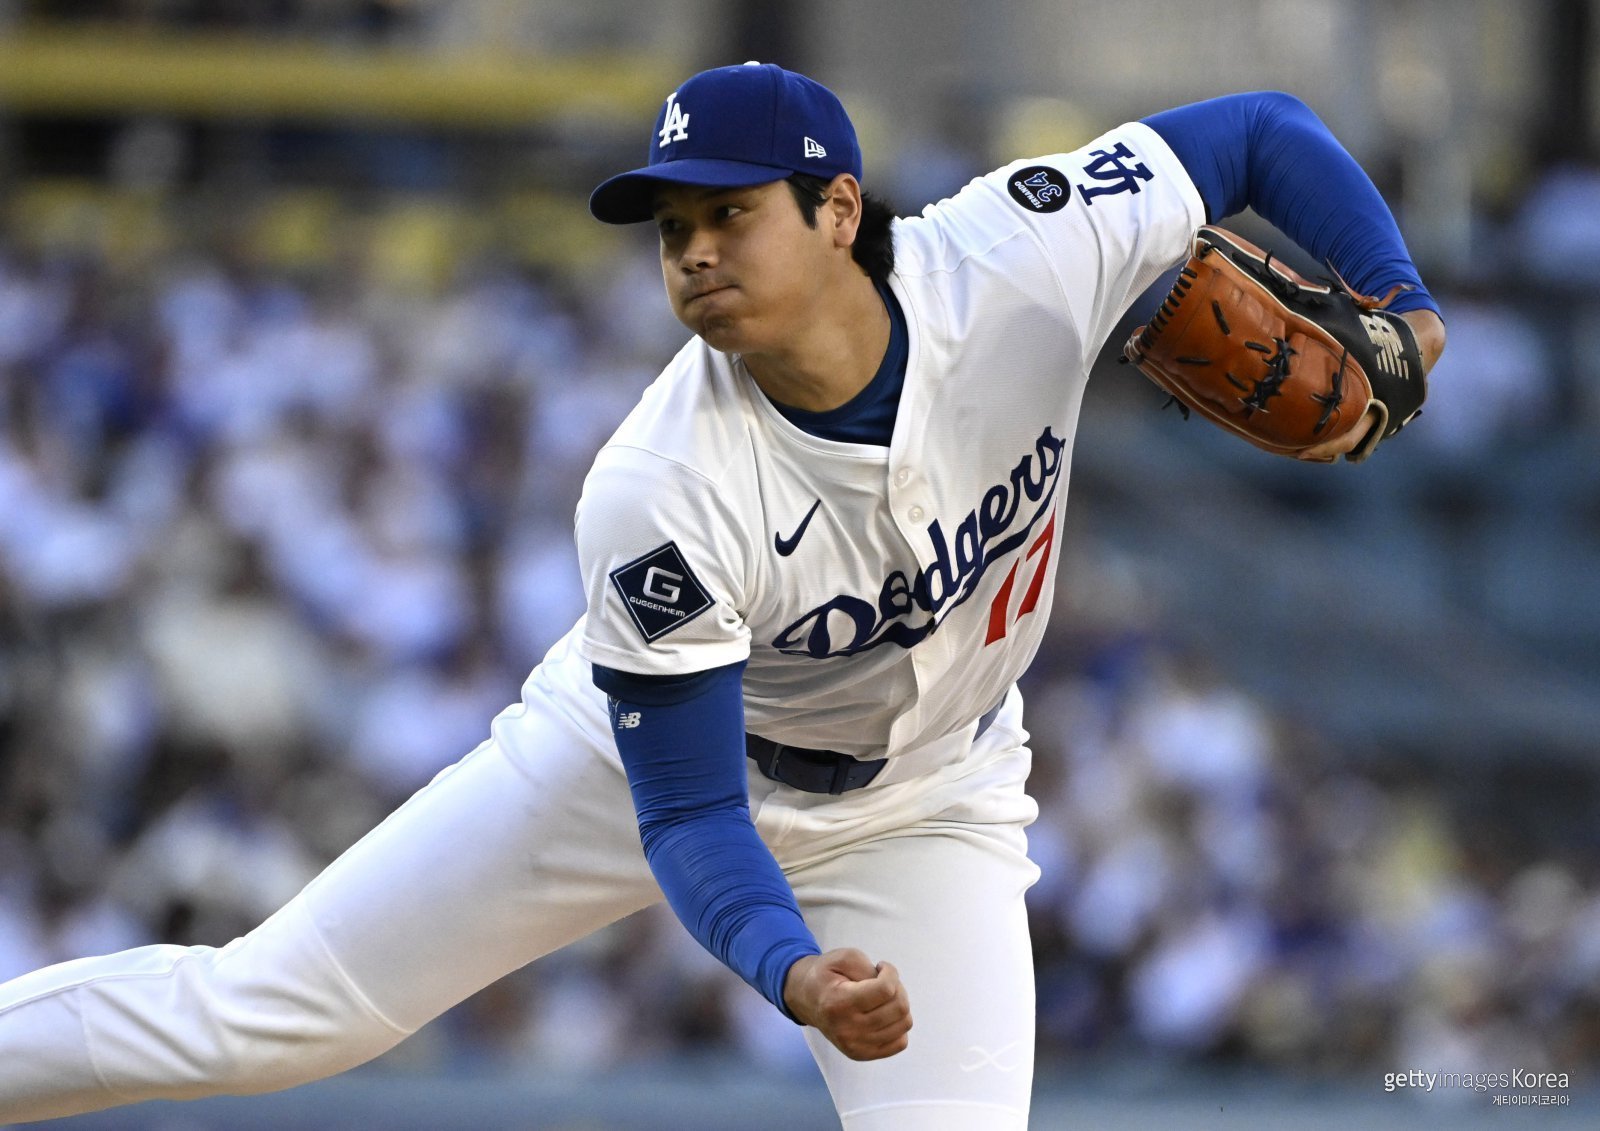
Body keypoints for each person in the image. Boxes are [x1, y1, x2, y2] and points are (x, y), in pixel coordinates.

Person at [0, 62, 1444, 1130]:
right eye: (671, 225)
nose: (692, 251)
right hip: (643, 763)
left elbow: (1260, 130)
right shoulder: (662, 484)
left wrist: (1405, 303)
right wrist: (794, 973)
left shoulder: (1024, 254)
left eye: (729, 214)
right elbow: (690, 814)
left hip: (932, 800)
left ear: (837, 209)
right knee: (272, 1018)